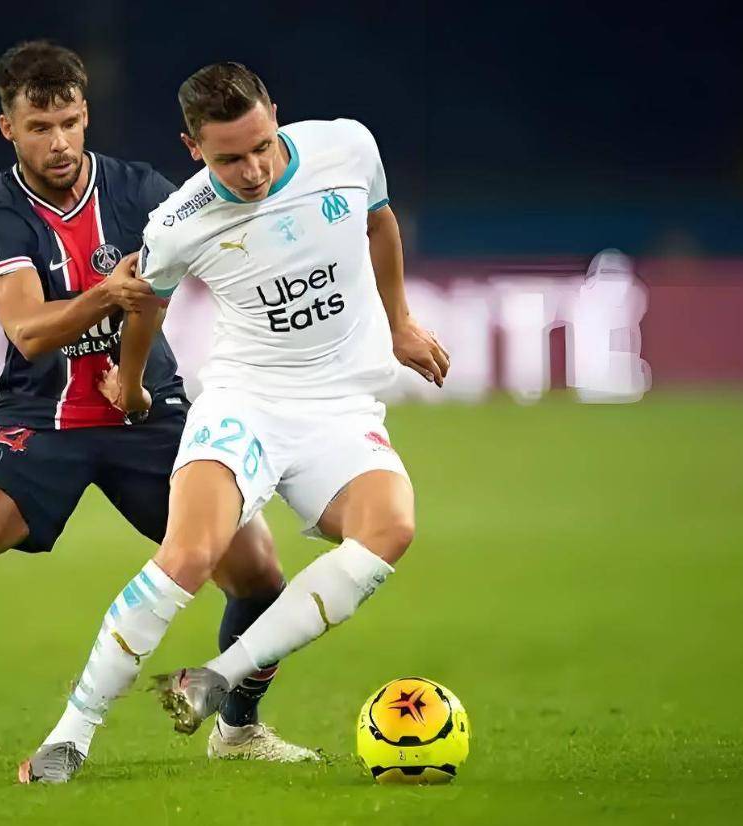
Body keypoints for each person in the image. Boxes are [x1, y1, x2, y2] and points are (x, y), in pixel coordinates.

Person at [0, 43, 315, 782]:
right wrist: (108, 294)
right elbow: (28, 330)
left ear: (85, 115)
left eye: (68, 123)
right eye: (39, 127)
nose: (57, 142)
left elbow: (228, 242)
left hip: (149, 414)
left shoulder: (142, 189)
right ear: (9, 128)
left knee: (259, 577)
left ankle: (239, 727)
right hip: (42, 417)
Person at [36, 60, 450, 748]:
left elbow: (379, 223)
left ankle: (216, 679)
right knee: (189, 554)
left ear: (275, 114)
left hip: (340, 407)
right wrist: (131, 385)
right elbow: (145, 306)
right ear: (192, 147)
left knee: (390, 529)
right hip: (245, 402)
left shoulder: (347, 147)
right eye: (229, 159)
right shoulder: (177, 222)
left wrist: (400, 322)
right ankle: (69, 736)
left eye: (262, 146)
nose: (253, 170)